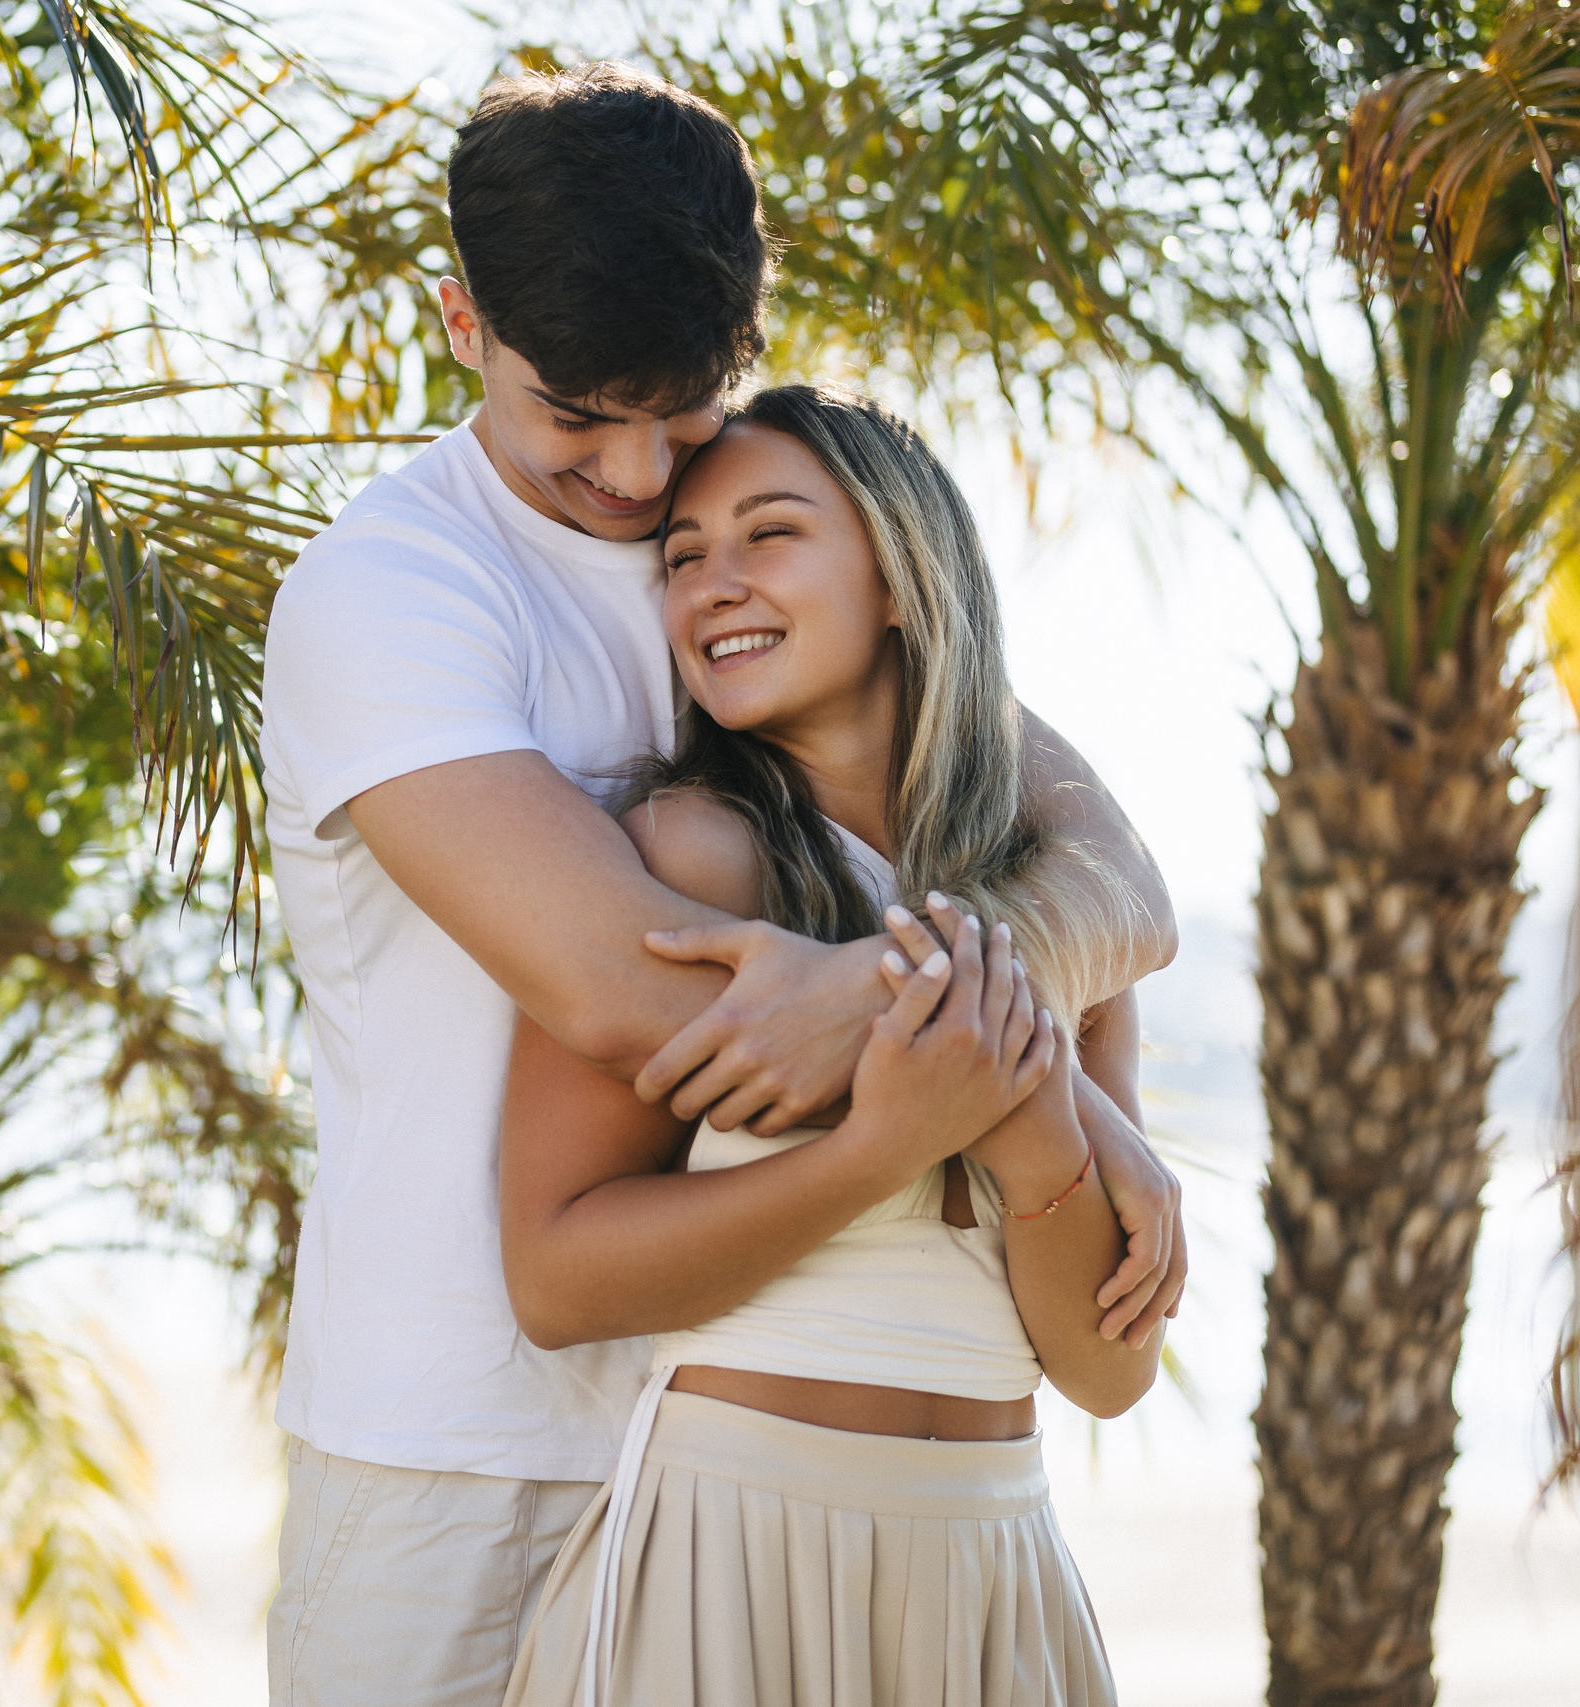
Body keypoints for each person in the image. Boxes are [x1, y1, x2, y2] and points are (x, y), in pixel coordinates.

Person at [257, 65, 1181, 1707]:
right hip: (460, 1449)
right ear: (463, 325)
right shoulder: (396, 590)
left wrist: (1056, 1092)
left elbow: (1105, 868)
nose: (632, 481)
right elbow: (624, 989)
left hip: (727, 1434)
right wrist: (1029, 1092)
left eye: (674, 413)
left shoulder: (754, 553)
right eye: (578, 416)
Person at [498, 385, 1161, 1707]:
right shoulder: (691, 859)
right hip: (731, 1557)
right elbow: (558, 1279)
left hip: (995, 1563)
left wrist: (1041, 1141)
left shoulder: (1051, 921)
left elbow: (1107, 1369)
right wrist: (885, 1146)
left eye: (771, 534)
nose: (713, 585)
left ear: (903, 579)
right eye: (683, 558)